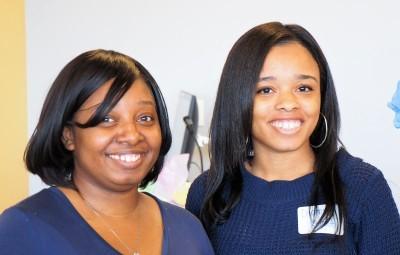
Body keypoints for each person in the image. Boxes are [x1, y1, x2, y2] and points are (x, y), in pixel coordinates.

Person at [185, 22, 400, 254]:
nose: (288, 103)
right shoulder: (206, 192)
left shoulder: (363, 187)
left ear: (322, 96)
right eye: (266, 90)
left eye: (304, 88)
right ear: (237, 99)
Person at [0, 49, 214, 255]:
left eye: (145, 118)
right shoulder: (24, 228)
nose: (131, 135)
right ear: (68, 135)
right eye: (107, 119)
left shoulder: (188, 229)